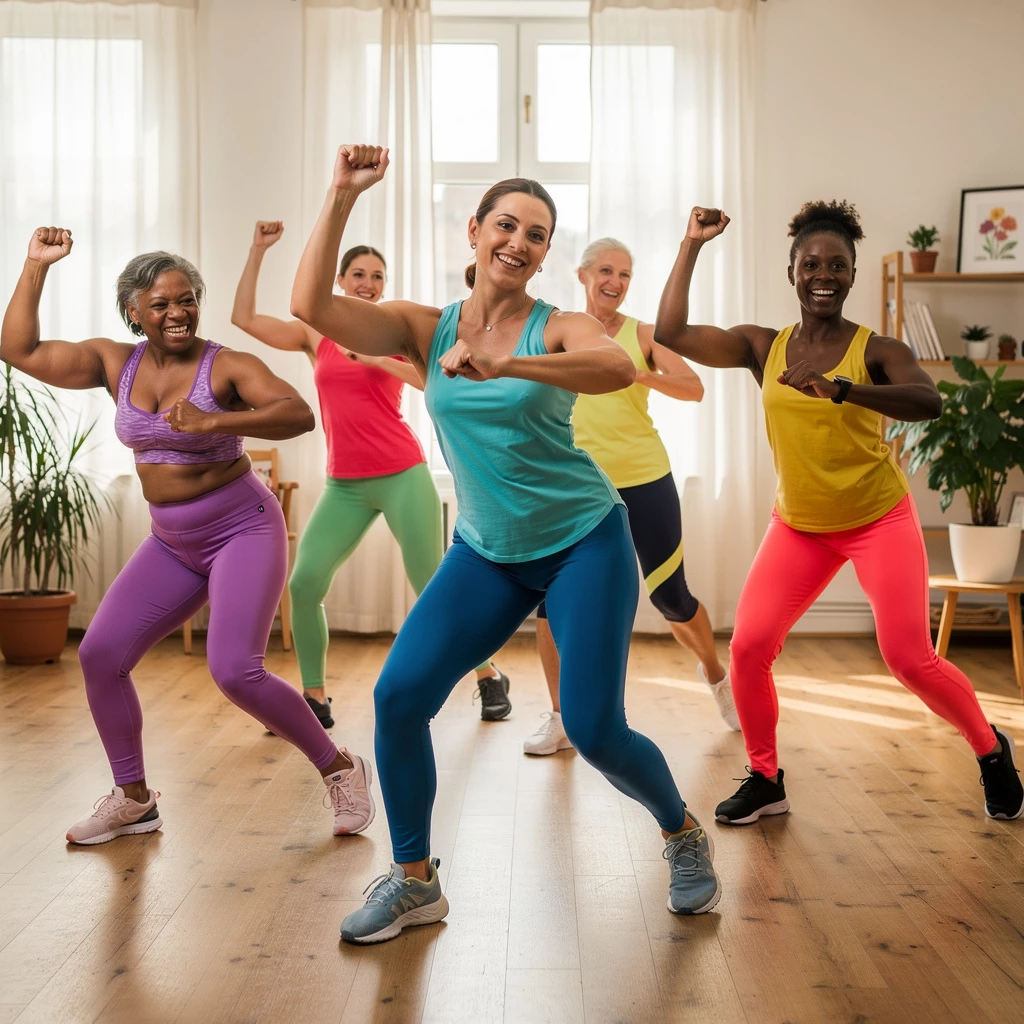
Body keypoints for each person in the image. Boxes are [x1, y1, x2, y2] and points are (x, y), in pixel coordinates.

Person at [291, 145, 722, 945]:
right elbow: (310, 302)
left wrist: (507, 361)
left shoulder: (557, 324)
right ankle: (415, 882)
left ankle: (681, 831)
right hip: (487, 551)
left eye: (537, 233)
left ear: (545, 253)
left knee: (593, 729)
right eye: (505, 224)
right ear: (474, 231)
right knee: (397, 697)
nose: (518, 241)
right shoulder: (424, 327)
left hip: (583, 539)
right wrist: (341, 194)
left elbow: (613, 366)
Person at [0, 227, 377, 844]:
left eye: (187, 299)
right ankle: (133, 799)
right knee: (99, 655)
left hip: (242, 528)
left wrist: (215, 419)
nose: (177, 313)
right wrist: (36, 264)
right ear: (133, 312)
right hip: (173, 541)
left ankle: (341, 769)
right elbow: (19, 349)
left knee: (233, 669)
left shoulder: (226, 365)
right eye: (161, 304)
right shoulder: (113, 363)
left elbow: (297, 413)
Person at [654, 200, 1024, 825]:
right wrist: (692, 243)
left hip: (878, 520)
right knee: (747, 648)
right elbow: (670, 334)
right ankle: (766, 777)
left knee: (909, 658)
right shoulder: (761, 348)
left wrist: (845, 390)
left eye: (837, 264)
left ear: (852, 275)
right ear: (791, 272)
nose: (822, 274)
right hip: (798, 524)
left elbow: (928, 401)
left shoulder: (875, 349)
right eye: (810, 263)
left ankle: (992, 751)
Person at [231, 221, 511, 727]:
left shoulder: (393, 331)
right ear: (339, 281)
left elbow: (432, 381)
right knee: (305, 583)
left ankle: (489, 675)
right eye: (357, 274)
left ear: (383, 285)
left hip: (402, 473)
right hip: (345, 483)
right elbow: (244, 318)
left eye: (376, 276)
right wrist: (257, 250)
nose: (367, 283)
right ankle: (315, 697)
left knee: (432, 585)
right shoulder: (315, 334)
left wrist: (376, 358)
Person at [523, 237, 739, 758]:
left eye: (624, 274)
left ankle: (715, 674)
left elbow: (693, 387)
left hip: (644, 476)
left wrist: (634, 369)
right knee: (550, 606)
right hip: (578, 484)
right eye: (604, 271)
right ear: (582, 275)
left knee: (671, 597)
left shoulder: (643, 334)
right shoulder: (562, 330)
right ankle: (560, 718)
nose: (614, 282)